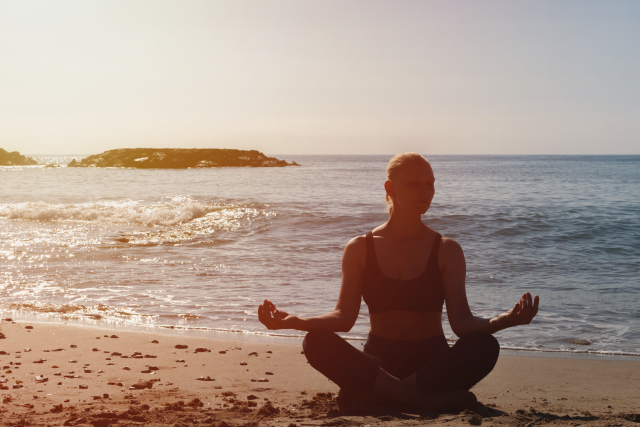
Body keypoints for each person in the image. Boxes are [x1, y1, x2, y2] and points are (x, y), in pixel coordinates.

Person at [258, 152, 539, 412]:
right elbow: (343, 318)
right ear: (389, 188)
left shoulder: (446, 249)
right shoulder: (359, 248)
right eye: (415, 183)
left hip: (432, 364)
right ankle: (420, 400)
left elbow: (462, 323)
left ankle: (384, 397)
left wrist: (505, 320)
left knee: (485, 346)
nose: (425, 191)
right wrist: (293, 321)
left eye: (430, 184)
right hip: (380, 364)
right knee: (315, 342)